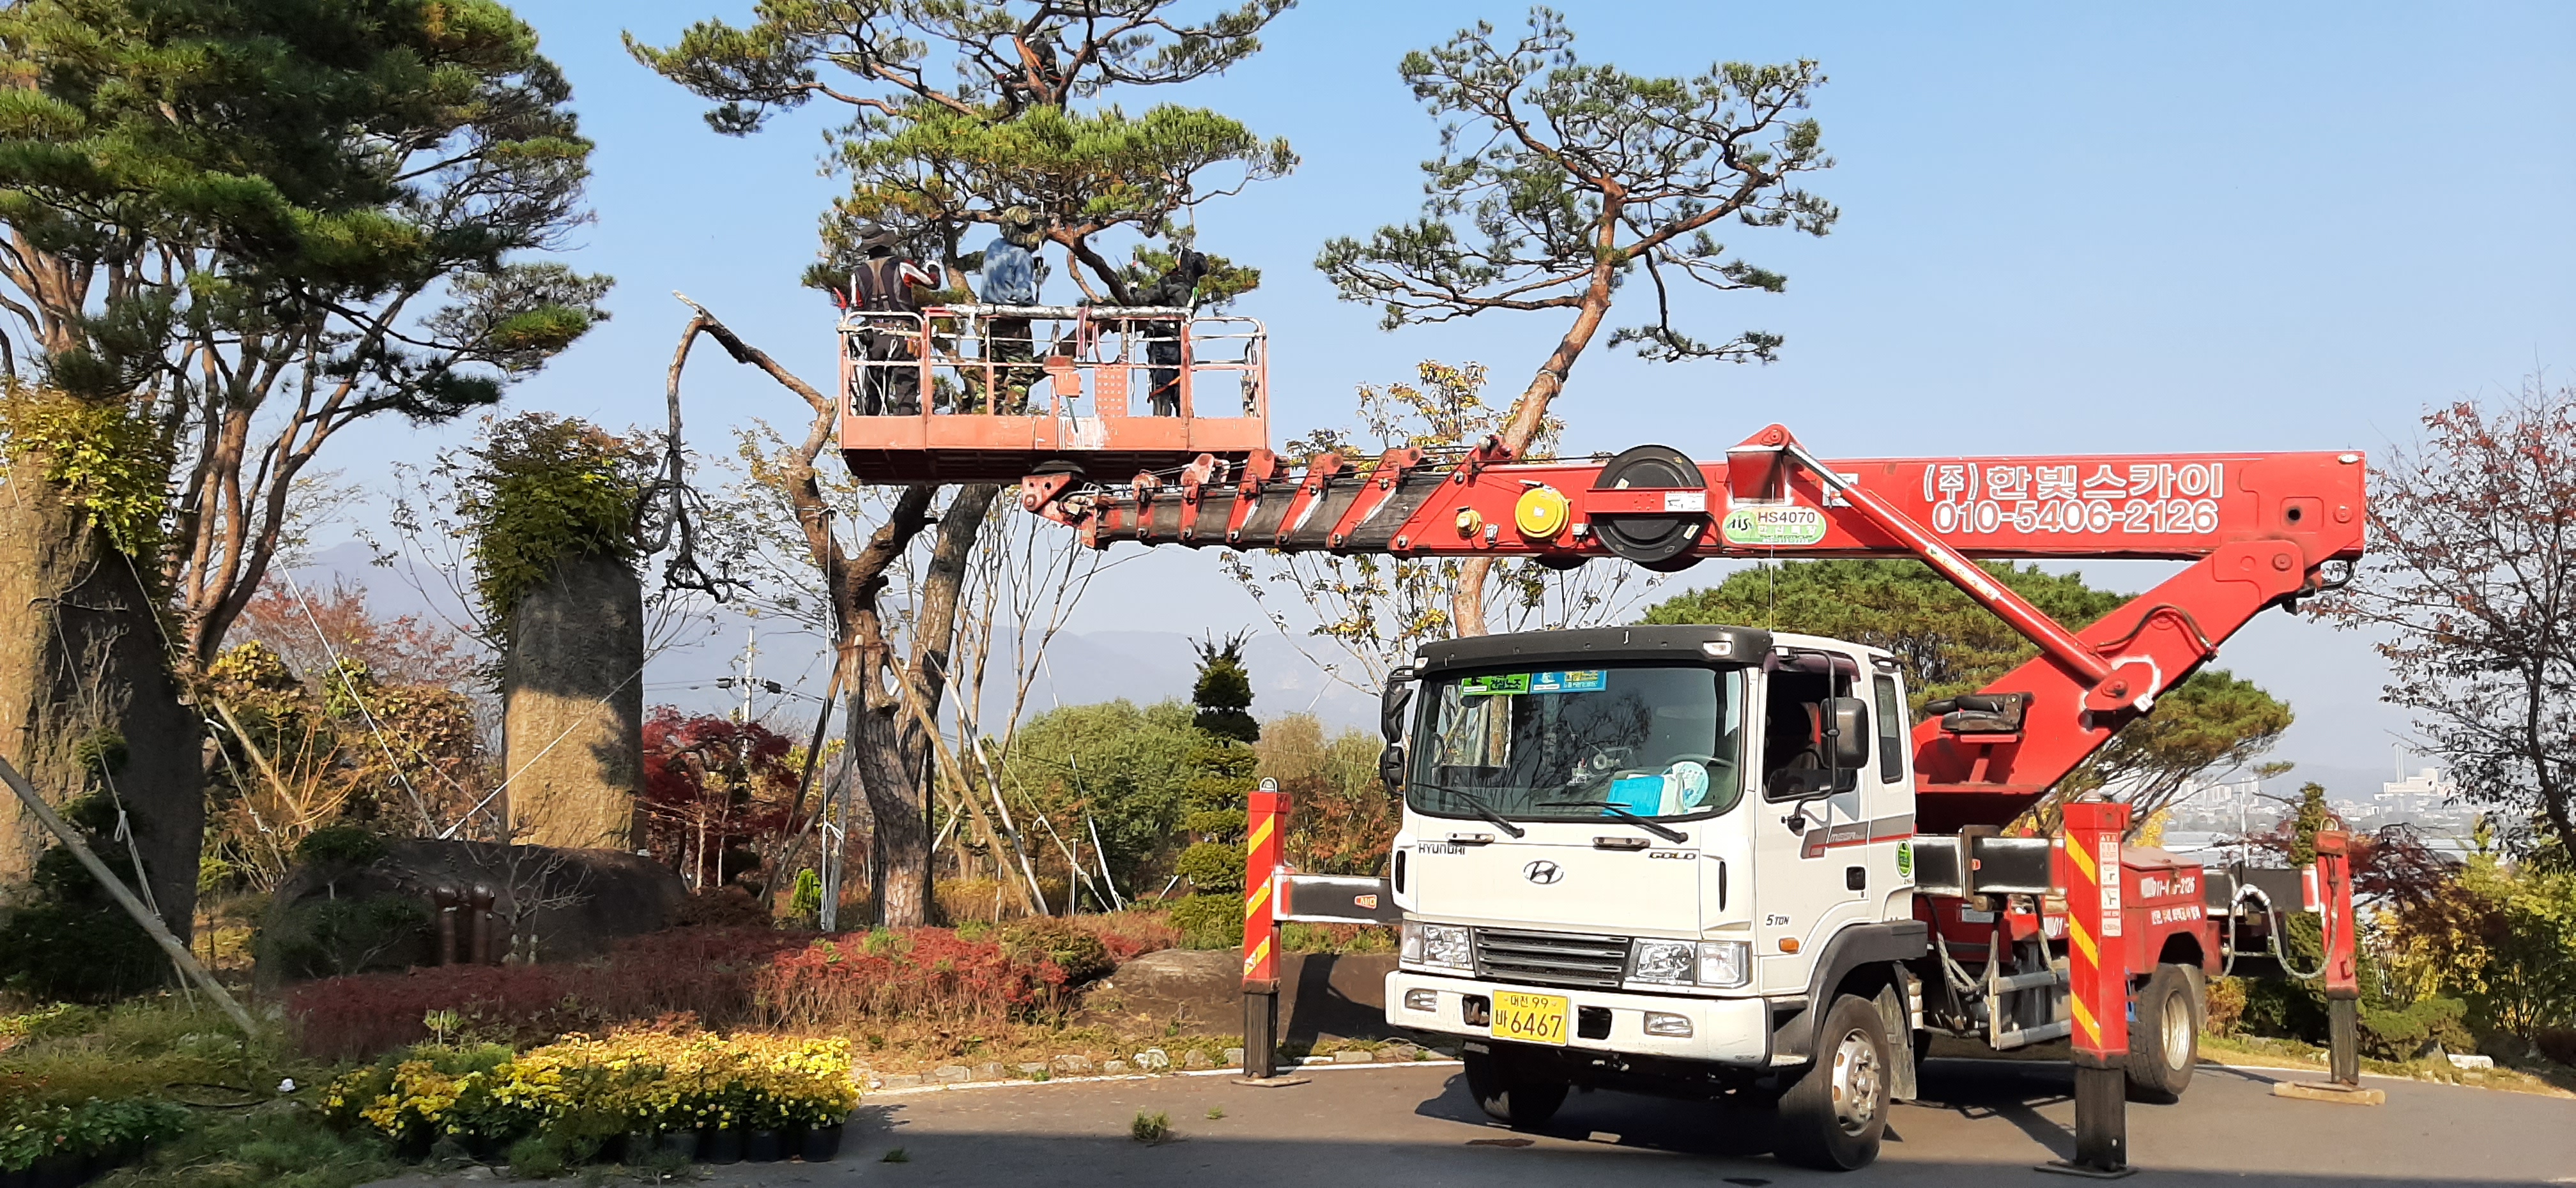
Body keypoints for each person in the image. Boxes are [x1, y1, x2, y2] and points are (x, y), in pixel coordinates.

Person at [846, 226, 940, 415]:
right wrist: (933, 267)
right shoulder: (901, 265)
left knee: (874, 383)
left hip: (873, 336)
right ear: (887, 244)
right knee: (906, 382)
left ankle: (871, 423)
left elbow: (856, 305)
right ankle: (906, 423)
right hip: (901, 334)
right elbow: (932, 283)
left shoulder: (858, 273)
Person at [974, 208, 1041, 412]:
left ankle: (979, 414)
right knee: (1021, 374)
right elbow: (1022, 294)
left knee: (991, 376)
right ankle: (1011, 418)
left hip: (989, 322)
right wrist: (1033, 306)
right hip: (1013, 324)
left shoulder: (994, 246)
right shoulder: (1022, 256)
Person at [1134, 248, 1209, 416]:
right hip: (1181, 345)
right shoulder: (1194, 290)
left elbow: (1143, 298)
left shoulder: (1172, 282)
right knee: (1180, 391)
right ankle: (1186, 426)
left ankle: (1162, 427)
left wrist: (1133, 290)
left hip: (1163, 342)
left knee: (1162, 388)